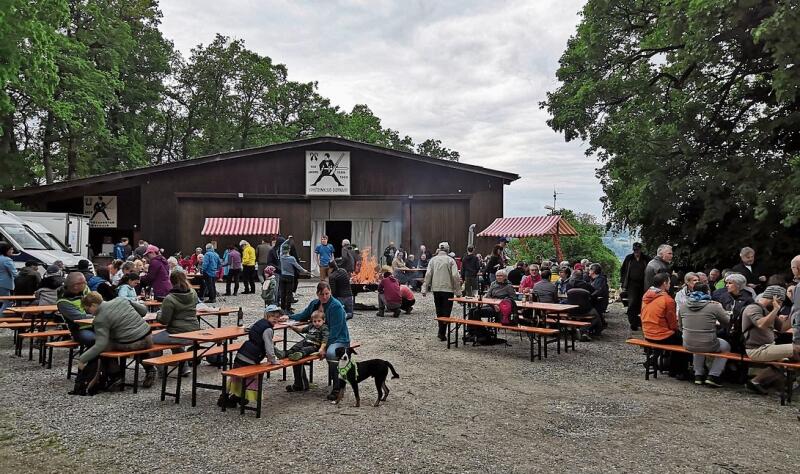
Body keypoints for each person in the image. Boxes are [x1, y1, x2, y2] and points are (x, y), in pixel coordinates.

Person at [77, 291, 156, 389]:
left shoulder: (99, 319)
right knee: (132, 337)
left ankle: (115, 375)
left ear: (93, 305)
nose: (88, 312)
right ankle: (149, 369)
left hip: (133, 344)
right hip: (148, 337)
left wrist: (82, 359)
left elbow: (101, 344)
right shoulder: (121, 300)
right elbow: (143, 311)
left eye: (87, 309)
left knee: (105, 347)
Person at [285, 282, 350, 401]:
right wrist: (288, 317)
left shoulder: (336, 306)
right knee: (298, 349)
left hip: (339, 339)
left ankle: (338, 388)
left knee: (331, 353)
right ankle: (300, 384)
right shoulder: (315, 304)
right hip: (317, 339)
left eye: (327, 293)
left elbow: (335, 331)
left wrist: (324, 347)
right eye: (321, 294)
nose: (324, 297)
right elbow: (303, 315)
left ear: (330, 292)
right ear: (317, 294)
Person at [219, 306, 282, 408]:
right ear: (266, 316)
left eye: (277, 317)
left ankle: (225, 396)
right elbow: (269, 346)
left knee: (235, 376)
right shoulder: (268, 330)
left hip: (242, 353)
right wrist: (273, 360)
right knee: (251, 378)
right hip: (251, 357)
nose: (275, 319)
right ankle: (241, 397)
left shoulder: (259, 323)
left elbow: (247, 328)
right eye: (272, 316)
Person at [742, 285, 799, 394]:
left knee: (788, 361)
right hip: (756, 349)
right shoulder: (753, 308)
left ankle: (756, 382)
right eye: (781, 301)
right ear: (774, 298)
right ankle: (786, 381)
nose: (781, 304)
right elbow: (761, 324)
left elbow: (783, 328)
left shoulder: (768, 310)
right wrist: (776, 309)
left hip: (769, 347)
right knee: (796, 349)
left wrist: (794, 309)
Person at [679, 283, 731, 387]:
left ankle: (698, 374)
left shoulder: (683, 306)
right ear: (708, 292)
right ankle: (713, 376)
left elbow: (680, 326)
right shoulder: (714, 306)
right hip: (708, 343)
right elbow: (727, 322)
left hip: (687, 343)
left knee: (697, 342)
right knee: (726, 347)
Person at [641, 273, 689, 379]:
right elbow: (672, 323)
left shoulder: (647, 295)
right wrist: (678, 329)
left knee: (677, 337)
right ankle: (678, 371)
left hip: (647, 332)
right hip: (660, 335)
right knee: (685, 341)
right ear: (664, 283)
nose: (670, 285)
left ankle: (655, 361)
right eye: (669, 283)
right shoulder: (667, 300)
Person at [153, 271, 200, 373]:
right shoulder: (193, 292)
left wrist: (158, 314)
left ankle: (160, 370)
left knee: (151, 340)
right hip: (194, 331)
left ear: (171, 281)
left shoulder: (170, 299)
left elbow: (164, 321)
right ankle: (184, 368)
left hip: (177, 333)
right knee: (174, 342)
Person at [422, 242, 462, 341]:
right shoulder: (450, 260)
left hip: (436, 289)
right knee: (446, 312)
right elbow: (455, 276)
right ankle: (442, 333)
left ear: (439, 249)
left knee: (439, 311)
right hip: (448, 290)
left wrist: (424, 288)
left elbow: (428, 275)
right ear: (448, 250)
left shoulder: (433, 260)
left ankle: (441, 331)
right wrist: (458, 292)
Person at [283, 309, 330, 392]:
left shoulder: (324, 328)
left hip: (314, 345)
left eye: (319, 321)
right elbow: (301, 330)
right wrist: (292, 326)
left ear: (323, 320)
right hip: (306, 341)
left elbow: (325, 340)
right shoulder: (311, 326)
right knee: (297, 345)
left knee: (306, 349)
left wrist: (321, 348)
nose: (317, 323)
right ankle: (285, 353)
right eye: (315, 321)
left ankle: (300, 354)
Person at [711, 273, 754, 353]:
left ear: (738, 285)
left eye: (730, 283)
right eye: (726, 283)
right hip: (725, 328)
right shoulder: (724, 296)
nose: (727, 285)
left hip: (739, 331)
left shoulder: (748, 299)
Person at [621, 242, 650, 330]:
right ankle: (633, 322)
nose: (636, 252)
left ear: (641, 250)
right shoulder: (629, 258)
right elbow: (623, 270)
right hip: (632, 284)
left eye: (638, 250)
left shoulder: (646, 258)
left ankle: (640, 322)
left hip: (643, 284)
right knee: (632, 302)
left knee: (642, 303)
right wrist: (623, 283)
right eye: (635, 250)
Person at [280, 245, 309, 312]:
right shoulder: (291, 258)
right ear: (289, 249)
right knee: (289, 293)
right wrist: (305, 271)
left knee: (283, 293)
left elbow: (282, 247)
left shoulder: (281, 257)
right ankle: (288, 309)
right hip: (290, 277)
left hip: (283, 276)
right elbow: (298, 267)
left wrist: (287, 240)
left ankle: (282, 308)